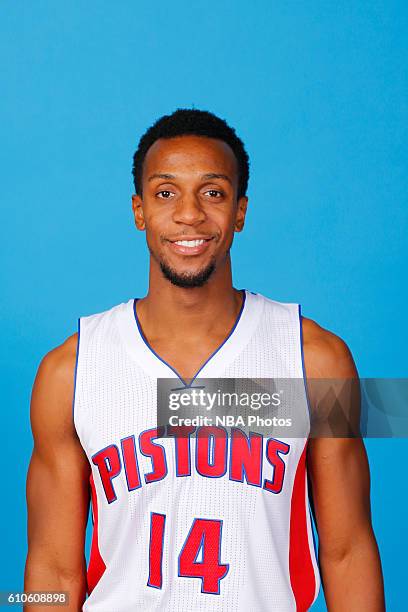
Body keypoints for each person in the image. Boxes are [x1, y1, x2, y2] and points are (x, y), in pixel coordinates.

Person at [24, 109, 385, 611]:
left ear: (240, 210)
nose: (189, 214)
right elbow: (51, 568)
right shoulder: (70, 372)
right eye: (166, 192)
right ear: (139, 210)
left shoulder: (317, 360)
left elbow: (347, 550)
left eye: (212, 192)